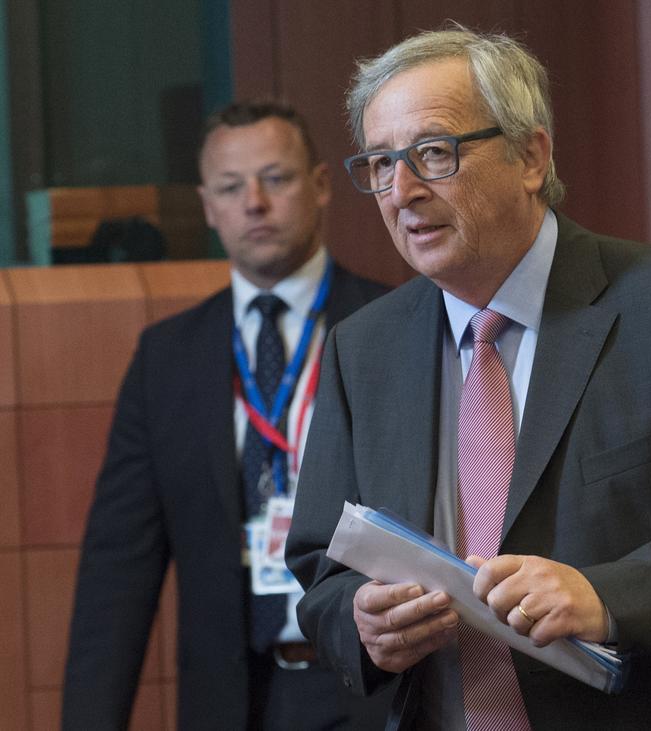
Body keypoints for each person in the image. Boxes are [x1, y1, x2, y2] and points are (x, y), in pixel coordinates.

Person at [285, 27, 651, 730]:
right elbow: (321, 566)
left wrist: (608, 597)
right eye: (380, 163)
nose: (402, 191)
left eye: (434, 153)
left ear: (531, 156)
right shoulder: (361, 348)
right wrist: (361, 621)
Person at [63, 101, 392, 730]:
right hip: (232, 700)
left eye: (276, 178)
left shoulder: (395, 328)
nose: (254, 204)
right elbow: (118, 569)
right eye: (231, 187)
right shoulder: (166, 359)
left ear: (322, 184)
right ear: (208, 206)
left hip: (372, 692)